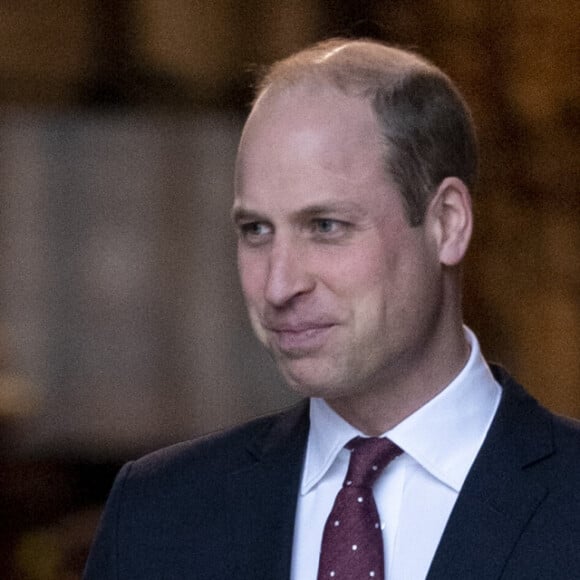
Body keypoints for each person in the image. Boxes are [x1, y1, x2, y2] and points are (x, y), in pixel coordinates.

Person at [83, 39, 580, 579]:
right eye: (256, 231)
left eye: (325, 227)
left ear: (448, 223)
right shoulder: (157, 516)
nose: (278, 285)